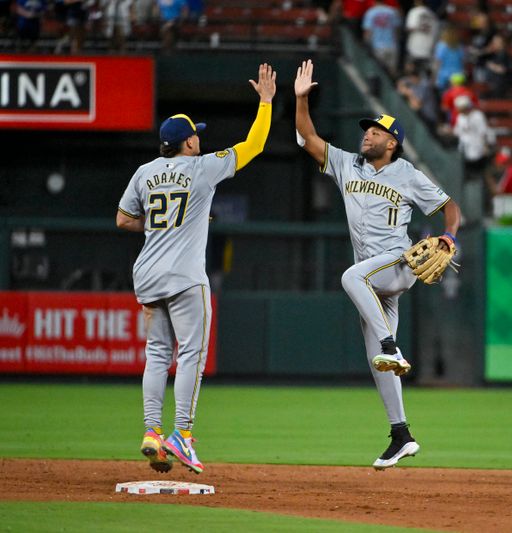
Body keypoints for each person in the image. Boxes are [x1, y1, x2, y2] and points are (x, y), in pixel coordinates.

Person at [294, 59, 462, 470]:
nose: (367, 134)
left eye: (376, 131)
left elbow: (451, 207)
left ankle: (392, 345)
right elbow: (309, 136)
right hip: (374, 282)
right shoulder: (346, 164)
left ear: (392, 142)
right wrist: (300, 100)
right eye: (366, 130)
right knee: (379, 364)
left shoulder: (407, 173)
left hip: (398, 264)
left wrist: (449, 236)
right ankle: (401, 434)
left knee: (351, 276)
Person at [116, 63, 277, 474]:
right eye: (196, 135)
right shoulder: (202, 168)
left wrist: (159, 222)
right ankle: (182, 436)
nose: (200, 139)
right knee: (191, 356)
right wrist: (265, 102)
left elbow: (122, 219)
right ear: (187, 142)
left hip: (148, 274)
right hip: (185, 276)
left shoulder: (143, 173)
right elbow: (254, 144)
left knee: (156, 355)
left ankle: (152, 431)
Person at [363, 0, 402, 76]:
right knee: (392, 71)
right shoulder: (392, 11)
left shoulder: (371, 12)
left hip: (378, 46)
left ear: (374, 2)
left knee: (379, 73)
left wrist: (366, 44)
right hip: (392, 45)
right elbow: (397, 30)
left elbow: (368, 32)